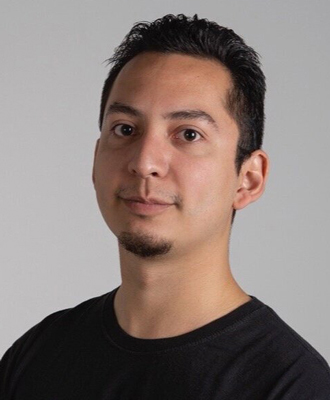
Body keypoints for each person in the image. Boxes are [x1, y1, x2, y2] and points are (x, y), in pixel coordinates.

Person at [1, 13, 330, 400]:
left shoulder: (291, 385)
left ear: (249, 178)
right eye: (125, 129)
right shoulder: (37, 356)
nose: (144, 162)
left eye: (189, 134)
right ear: (95, 159)